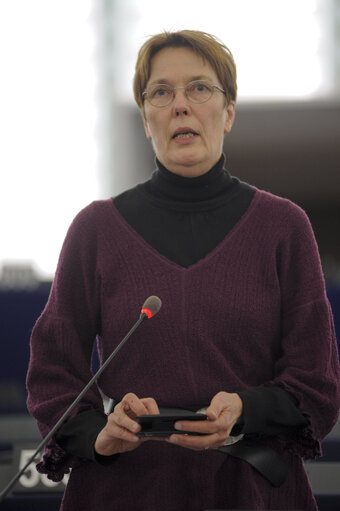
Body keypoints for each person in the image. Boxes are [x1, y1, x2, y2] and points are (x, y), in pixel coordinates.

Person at [26, 30, 340, 510]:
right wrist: (99, 433)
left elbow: (316, 381)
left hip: (252, 493)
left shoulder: (284, 227)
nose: (180, 105)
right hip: (127, 491)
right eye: (160, 92)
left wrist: (245, 410)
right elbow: (53, 373)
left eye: (199, 88)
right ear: (146, 119)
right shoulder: (95, 230)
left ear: (229, 112)